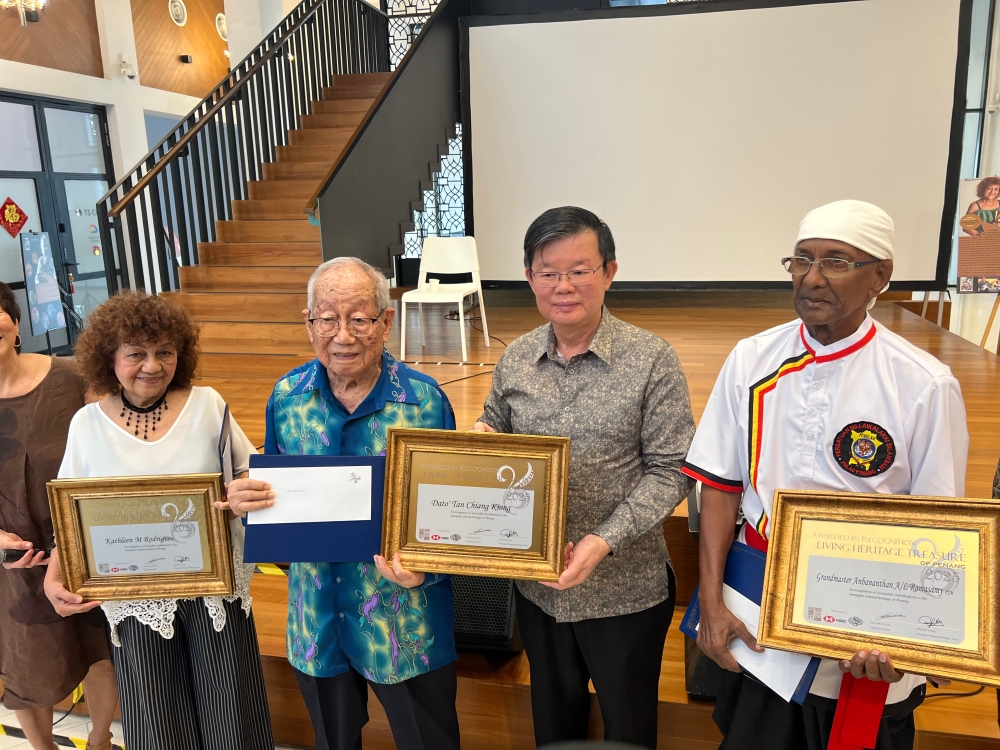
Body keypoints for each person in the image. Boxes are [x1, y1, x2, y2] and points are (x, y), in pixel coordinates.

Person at [683, 200, 968, 750]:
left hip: (869, 636)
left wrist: (910, 637)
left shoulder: (925, 384)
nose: (812, 278)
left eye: (837, 261)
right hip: (760, 622)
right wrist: (713, 603)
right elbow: (719, 487)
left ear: (880, 276)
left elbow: (939, 530)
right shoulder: (751, 358)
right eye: (801, 260)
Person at [474, 206, 696, 749]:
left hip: (626, 591)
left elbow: (672, 471)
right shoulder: (517, 359)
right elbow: (492, 433)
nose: (564, 285)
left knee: (628, 729)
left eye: (580, 269)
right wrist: (475, 445)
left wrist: (602, 541)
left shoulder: (652, 360)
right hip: (537, 587)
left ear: (610, 272)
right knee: (554, 726)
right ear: (529, 278)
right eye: (548, 272)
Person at [227, 257, 461, 750]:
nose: (342, 335)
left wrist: (427, 569)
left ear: (387, 321)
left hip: (404, 619)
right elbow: (279, 497)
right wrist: (254, 504)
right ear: (308, 321)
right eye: (326, 318)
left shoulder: (424, 402)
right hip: (317, 615)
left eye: (359, 318)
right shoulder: (286, 397)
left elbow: (449, 512)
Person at [43, 291, 274, 750]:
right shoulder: (87, 424)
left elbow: (248, 473)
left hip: (214, 590)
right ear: (110, 358)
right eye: (136, 354)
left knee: (235, 720)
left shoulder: (209, 405)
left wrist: (247, 492)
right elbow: (69, 516)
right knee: (157, 724)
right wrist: (54, 574)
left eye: (164, 352)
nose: (152, 365)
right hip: (134, 596)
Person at [0, 282, 117, 750]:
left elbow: (110, 453)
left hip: (84, 549)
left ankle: (102, 738)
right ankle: (43, 747)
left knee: (100, 653)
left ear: (15, 321)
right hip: (14, 567)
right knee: (26, 665)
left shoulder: (71, 377)